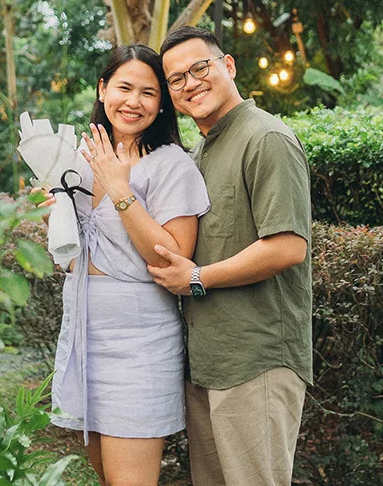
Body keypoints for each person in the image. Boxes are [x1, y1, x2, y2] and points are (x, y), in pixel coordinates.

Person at [149, 26, 312, 486]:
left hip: (254, 359)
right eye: (176, 79)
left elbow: (287, 246)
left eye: (199, 68)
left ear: (228, 66)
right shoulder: (202, 149)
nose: (190, 83)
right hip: (209, 362)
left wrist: (197, 277)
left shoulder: (265, 138)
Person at [42, 44, 211, 486]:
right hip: (83, 333)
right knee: (103, 471)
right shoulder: (82, 158)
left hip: (139, 344)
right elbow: (76, 249)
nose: (133, 102)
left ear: (162, 104)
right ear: (102, 89)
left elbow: (173, 258)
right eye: (123, 88)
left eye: (148, 93)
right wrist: (51, 214)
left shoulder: (171, 165)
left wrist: (120, 189)